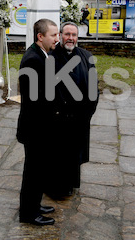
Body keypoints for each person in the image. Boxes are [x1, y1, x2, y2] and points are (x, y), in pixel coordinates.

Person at [49, 21, 99, 198]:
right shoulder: (51, 57)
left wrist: (88, 113)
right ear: (60, 35)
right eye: (67, 34)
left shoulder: (86, 56)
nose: (70, 38)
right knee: (58, 156)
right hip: (59, 119)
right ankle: (56, 189)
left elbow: (94, 88)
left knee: (74, 154)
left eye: (74, 35)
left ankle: (70, 184)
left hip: (80, 117)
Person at [16, 18, 59, 226]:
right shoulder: (33, 59)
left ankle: (35, 204)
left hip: (39, 127)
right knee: (33, 172)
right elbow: (36, 100)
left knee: (38, 170)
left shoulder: (41, 55)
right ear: (40, 37)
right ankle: (28, 214)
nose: (57, 39)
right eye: (54, 35)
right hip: (35, 128)